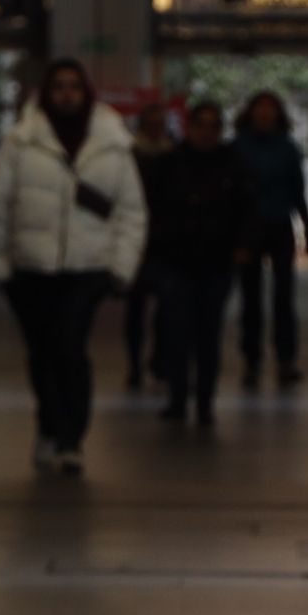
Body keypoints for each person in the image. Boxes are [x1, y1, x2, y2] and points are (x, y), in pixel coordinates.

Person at [0, 58, 149, 474]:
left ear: (85, 92)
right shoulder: (21, 142)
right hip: (30, 268)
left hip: (87, 267)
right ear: (46, 93)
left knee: (70, 347)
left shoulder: (113, 145)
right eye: (59, 87)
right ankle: (49, 427)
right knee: (41, 352)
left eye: (73, 86)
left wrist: (121, 266)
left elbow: (131, 211)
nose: (66, 94)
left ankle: (72, 438)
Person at [144, 100, 253, 426]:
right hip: (175, 262)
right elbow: (151, 209)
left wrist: (243, 247)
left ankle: (205, 401)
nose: (206, 132)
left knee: (208, 334)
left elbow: (248, 211)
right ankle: (177, 397)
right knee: (176, 333)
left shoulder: (234, 165)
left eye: (213, 126)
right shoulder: (168, 165)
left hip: (216, 263)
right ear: (188, 128)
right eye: (200, 125)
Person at [231, 91, 308, 389]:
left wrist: (307, 226)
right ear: (251, 113)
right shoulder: (238, 148)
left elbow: (298, 189)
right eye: (260, 108)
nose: (265, 114)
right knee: (250, 298)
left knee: (283, 298)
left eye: (270, 109)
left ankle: (286, 359)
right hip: (248, 229)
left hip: (280, 226)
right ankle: (252, 360)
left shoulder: (287, 148)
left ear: (278, 114)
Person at [118, 99, 174, 394]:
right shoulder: (130, 155)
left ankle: (159, 361)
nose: (155, 129)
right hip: (136, 239)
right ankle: (135, 365)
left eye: (159, 124)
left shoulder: (174, 155)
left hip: (164, 241)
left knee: (166, 307)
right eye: (151, 125)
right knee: (136, 308)